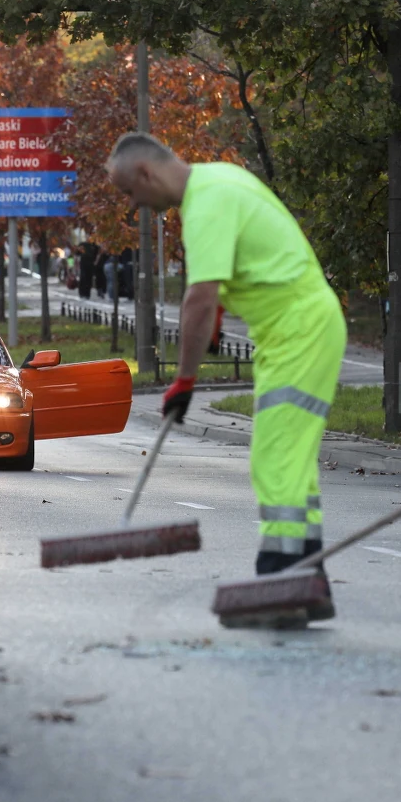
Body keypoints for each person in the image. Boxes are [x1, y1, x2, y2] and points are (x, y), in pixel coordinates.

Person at [107, 133, 346, 610]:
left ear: (145, 174)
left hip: (299, 331)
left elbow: (199, 296)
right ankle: (307, 581)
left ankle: (279, 584)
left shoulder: (205, 204)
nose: (135, 207)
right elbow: (247, 262)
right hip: (298, 329)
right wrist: (217, 313)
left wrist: (186, 379)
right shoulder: (220, 178)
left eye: (130, 194)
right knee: (291, 462)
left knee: (275, 459)